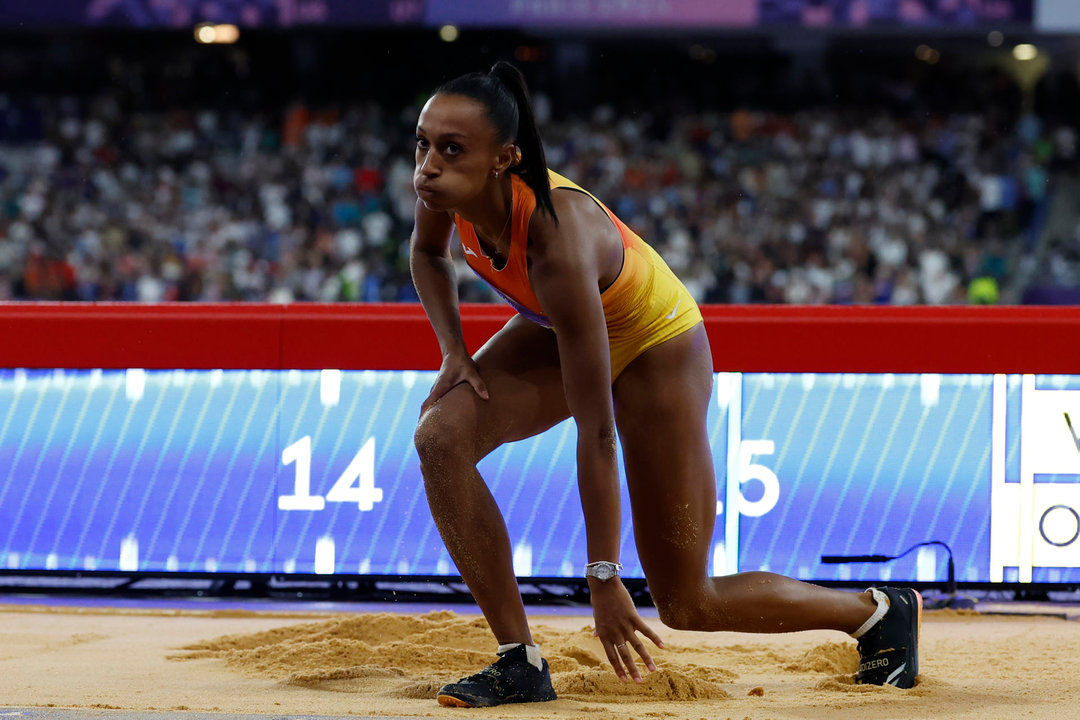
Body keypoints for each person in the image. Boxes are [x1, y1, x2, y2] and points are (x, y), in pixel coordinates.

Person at [409, 61, 921, 708]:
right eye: (423, 143)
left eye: (452, 150)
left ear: (505, 159)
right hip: (570, 324)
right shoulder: (442, 191)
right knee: (441, 438)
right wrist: (454, 351)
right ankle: (519, 660)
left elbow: (598, 435)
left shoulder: (555, 243)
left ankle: (875, 612)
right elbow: (428, 255)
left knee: (686, 602)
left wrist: (604, 577)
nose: (428, 164)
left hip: (656, 347)